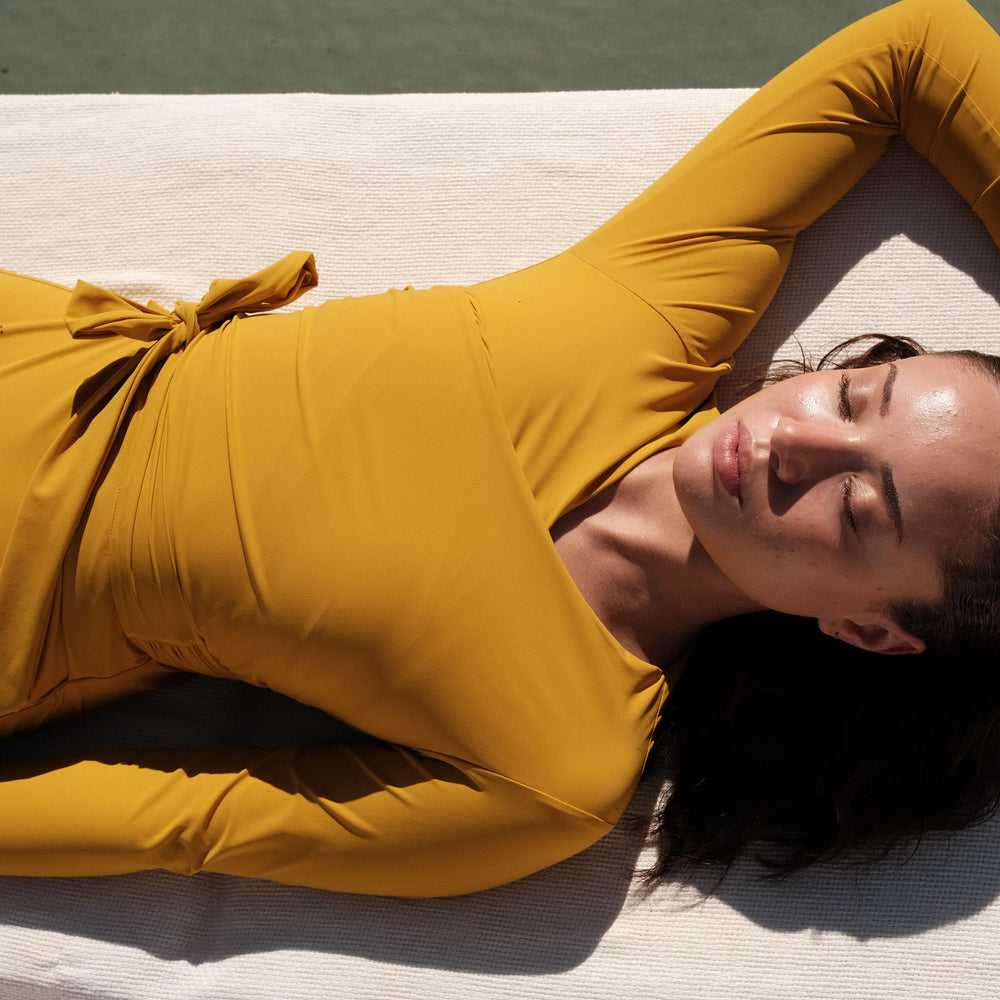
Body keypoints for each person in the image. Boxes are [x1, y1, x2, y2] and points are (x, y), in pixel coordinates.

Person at [2, 0, 1000, 897]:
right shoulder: (649, 317)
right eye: (854, 392)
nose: (796, 440)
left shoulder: (554, 763)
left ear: (869, 629)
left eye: (859, 510)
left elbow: (188, 820)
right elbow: (915, 46)